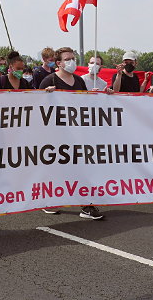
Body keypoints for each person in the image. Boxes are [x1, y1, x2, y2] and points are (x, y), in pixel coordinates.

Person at [40, 47, 103, 220]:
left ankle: (87, 205)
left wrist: (100, 97)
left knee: (81, 169)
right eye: (67, 59)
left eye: (73, 58)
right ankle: (49, 200)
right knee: (57, 170)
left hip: (77, 135)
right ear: (58, 63)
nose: (72, 62)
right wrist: (46, 97)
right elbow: (38, 108)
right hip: (55, 135)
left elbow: (83, 105)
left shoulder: (78, 81)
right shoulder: (48, 81)